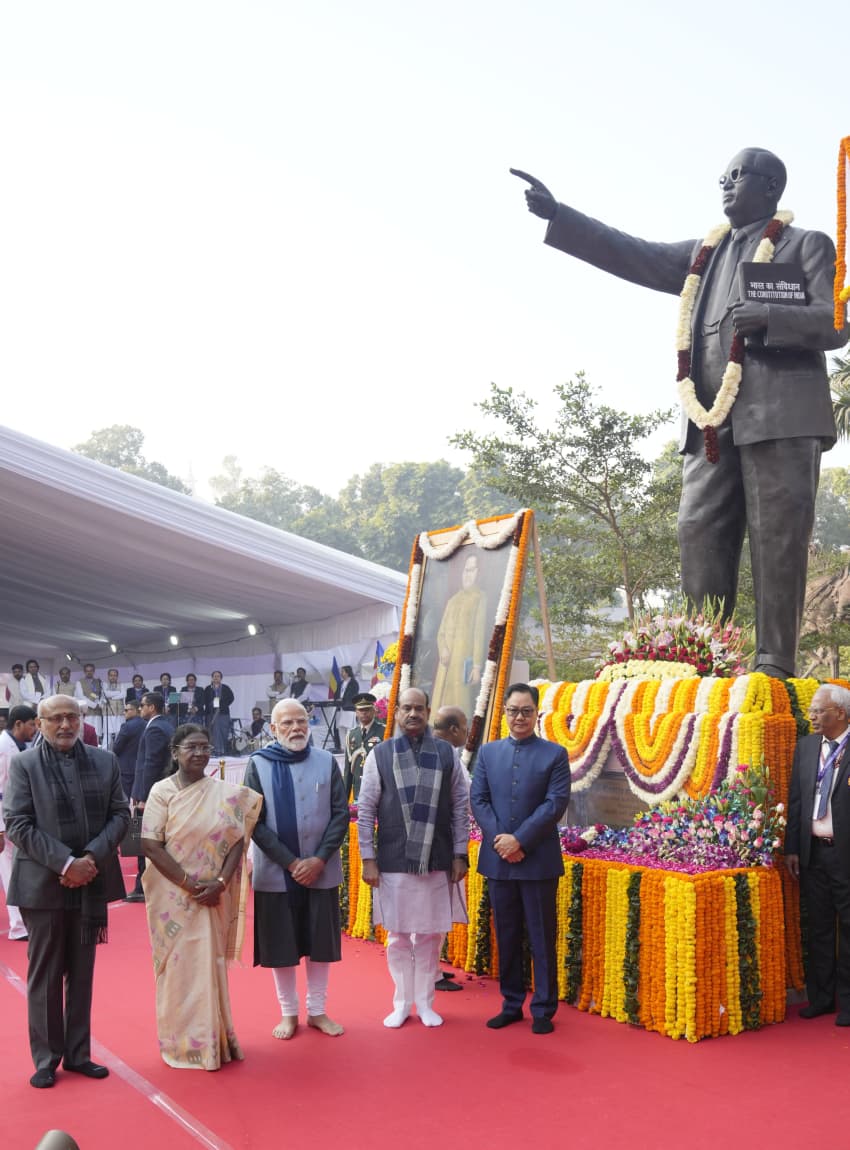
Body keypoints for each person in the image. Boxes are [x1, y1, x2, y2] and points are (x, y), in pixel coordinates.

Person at [518, 148, 849, 678]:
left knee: (777, 542)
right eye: (722, 176)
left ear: (771, 188)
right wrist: (562, 217)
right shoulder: (707, 253)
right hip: (710, 423)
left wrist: (767, 315)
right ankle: (702, 661)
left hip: (781, 418)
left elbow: (836, 324)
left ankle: (772, 666)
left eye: (737, 176)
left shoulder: (805, 244)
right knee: (698, 530)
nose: (724, 184)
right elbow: (634, 253)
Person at [4, 695, 129, 1088]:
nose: (64, 725)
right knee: (44, 974)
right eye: (55, 718)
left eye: (71, 717)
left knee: (81, 972)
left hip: (90, 882)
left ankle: (78, 1055)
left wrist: (89, 858)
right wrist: (65, 863)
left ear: (81, 720)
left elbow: (121, 815)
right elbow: (18, 824)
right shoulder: (24, 764)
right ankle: (46, 1058)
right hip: (42, 885)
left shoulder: (104, 760)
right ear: (38, 723)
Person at [140, 724, 261, 1069]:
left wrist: (221, 882)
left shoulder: (224, 792)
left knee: (209, 964)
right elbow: (150, 844)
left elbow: (237, 838)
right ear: (175, 752)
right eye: (191, 747)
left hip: (212, 894)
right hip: (174, 898)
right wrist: (189, 884)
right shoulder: (162, 792)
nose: (199, 754)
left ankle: (216, 1042)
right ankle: (184, 1046)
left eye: (205, 747)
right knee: (179, 969)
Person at [357, 687, 470, 1028]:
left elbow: (460, 810)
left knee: (430, 936)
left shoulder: (447, 754)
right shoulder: (381, 754)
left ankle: (426, 1002)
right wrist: (368, 858)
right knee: (399, 937)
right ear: (396, 712)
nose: (413, 714)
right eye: (406, 708)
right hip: (394, 859)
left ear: (428, 711)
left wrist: (459, 855)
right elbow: (366, 809)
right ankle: (402, 1002)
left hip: (436, 859)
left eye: (419, 708)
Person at [244, 698, 348, 1040]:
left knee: (320, 944)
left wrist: (318, 860)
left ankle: (317, 1011)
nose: (295, 728)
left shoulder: (326, 762)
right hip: (276, 874)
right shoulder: (258, 764)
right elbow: (254, 822)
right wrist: (290, 862)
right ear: (273, 729)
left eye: (301, 721)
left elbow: (339, 814)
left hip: (321, 870)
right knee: (282, 945)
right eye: (286, 723)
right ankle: (288, 1013)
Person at [470, 683, 570, 1034]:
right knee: (507, 933)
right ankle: (511, 1003)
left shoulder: (555, 755)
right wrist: (502, 842)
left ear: (536, 713)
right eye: (513, 710)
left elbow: (554, 804)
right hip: (499, 860)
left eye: (526, 711)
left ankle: (543, 1007)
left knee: (541, 935)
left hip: (538, 859)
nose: (519, 717)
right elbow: (478, 799)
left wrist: (520, 840)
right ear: (505, 713)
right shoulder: (488, 753)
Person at [785, 683, 850, 1024]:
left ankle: (849, 1002)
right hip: (814, 853)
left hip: (846, 854)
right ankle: (822, 998)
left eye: (819, 711)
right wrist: (793, 847)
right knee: (820, 927)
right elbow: (797, 799)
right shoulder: (807, 746)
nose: (812, 716)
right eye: (811, 710)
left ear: (839, 713)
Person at [127, 692, 174, 902]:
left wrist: (143, 796)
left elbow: (150, 763)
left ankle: (142, 887)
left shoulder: (155, 728)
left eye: (143, 706)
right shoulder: (166, 725)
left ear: (152, 708)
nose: (140, 710)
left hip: (151, 795)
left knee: (143, 841)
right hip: (159, 792)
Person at [432, 552, 487, 716]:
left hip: (463, 664)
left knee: (459, 710)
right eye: (465, 570)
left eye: (471, 570)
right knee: (439, 712)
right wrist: (444, 649)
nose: (467, 575)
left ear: (479, 573)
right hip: (446, 665)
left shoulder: (480, 598)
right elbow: (440, 633)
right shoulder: (453, 600)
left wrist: (477, 667)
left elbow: (479, 635)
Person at [0, 704, 38, 941]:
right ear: (18, 724)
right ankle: (17, 926)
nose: (35, 728)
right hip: (5, 817)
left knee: (20, 870)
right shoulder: (3, 747)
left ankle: (23, 922)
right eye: (32, 724)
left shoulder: (23, 745)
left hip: (20, 816)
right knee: (10, 871)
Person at [342, 692, 385, 802]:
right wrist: (344, 802)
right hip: (358, 793)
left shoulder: (383, 731)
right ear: (356, 712)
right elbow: (348, 772)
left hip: (378, 792)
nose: (364, 713)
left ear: (373, 711)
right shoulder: (351, 735)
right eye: (361, 710)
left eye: (367, 709)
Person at [112, 701, 146, 804]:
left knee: (126, 799)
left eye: (127, 710)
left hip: (126, 769)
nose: (124, 712)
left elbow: (116, 748)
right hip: (142, 767)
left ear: (135, 711)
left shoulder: (127, 726)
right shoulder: (147, 724)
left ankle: (128, 819)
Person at [205, 670, 234, 756]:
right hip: (211, 714)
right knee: (213, 731)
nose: (216, 678)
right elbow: (205, 700)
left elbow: (231, 698)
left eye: (218, 676)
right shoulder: (208, 688)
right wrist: (212, 703)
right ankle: (215, 750)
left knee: (223, 731)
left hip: (223, 713)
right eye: (214, 676)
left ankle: (223, 751)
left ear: (221, 678)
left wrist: (222, 704)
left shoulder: (225, 688)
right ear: (212, 678)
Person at [74, 665, 103, 743]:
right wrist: (94, 705)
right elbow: (81, 696)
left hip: (97, 712)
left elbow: (100, 695)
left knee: (97, 733)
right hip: (86, 712)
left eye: (91, 670)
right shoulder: (79, 682)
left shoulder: (98, 682)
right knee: (87, 733)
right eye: (87, 671)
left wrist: (99, 703)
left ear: (94, 671)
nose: (89, 672)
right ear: (84, 672)